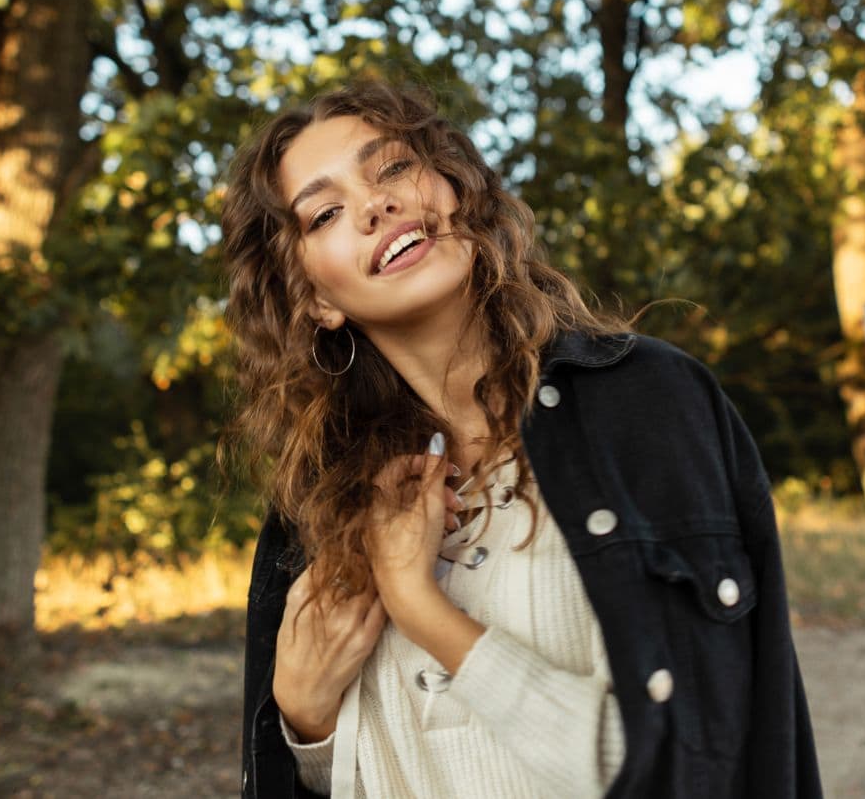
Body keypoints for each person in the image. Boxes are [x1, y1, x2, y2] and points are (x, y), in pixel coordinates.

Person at [221, 81, 820, 798]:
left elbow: (696, 757)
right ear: (315, 298)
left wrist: (423, 610)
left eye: (393, 169)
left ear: (454, 190)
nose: (375, 205)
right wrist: (305, 720)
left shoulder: (649, 405)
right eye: (325, 213)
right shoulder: (319, 507)